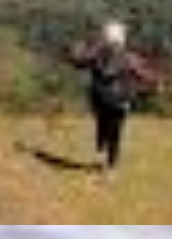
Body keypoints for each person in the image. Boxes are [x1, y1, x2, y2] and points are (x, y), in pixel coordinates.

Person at [68, 21, 160, 173]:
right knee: (116, 132)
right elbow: (143, 74)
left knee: (102, 124)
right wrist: (155, 83)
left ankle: (100, 151)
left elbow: (78, 62)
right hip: (121, 100)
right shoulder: (129, 57)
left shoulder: (95, 54)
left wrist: (78, 47)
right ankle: (111, 166)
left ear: (105, 36)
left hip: (99, 97)